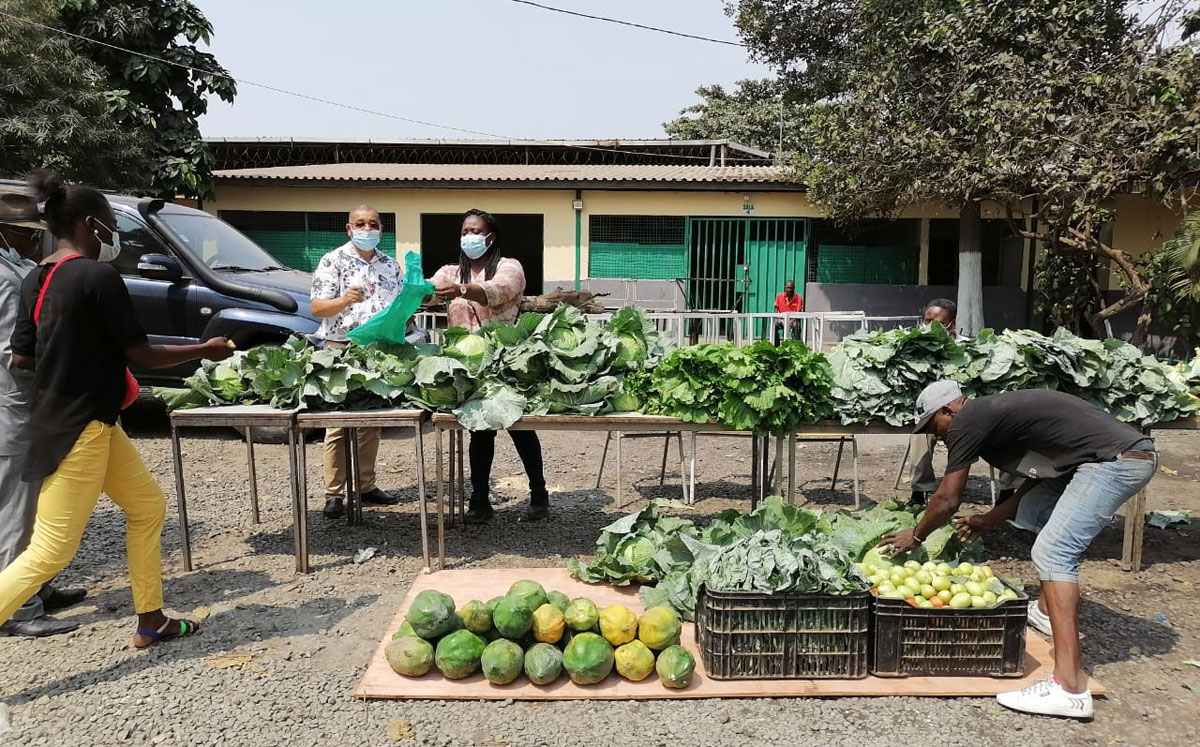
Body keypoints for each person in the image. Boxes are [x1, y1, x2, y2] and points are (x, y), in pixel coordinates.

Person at [0, 171, 237, 647]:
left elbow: (24, 357)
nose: (116, 236)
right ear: (92, 224)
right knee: (50, 549)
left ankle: (151, 618)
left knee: (148, 506)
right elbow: (142, 354)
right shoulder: (97, 275)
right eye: (112, 225)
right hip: (80, 428)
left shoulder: (38, 278)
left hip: (87, 421)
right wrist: (205, 348)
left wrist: (78, 353)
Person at [883, 381, 1156, 719]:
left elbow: (948, 499)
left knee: (1054, 552)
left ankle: (1069, 689)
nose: (936, 437)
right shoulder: (996, 414)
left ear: (947, 410)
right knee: (1036, 513)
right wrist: (989, 519)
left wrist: (918, 535)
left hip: (1115, 462)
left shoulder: (969, 419)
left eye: (932, 427)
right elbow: (1040, 478)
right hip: (1108, 457)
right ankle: (1043, 611)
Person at [0, 198, 87, 637]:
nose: (36, 238)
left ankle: (39, 586)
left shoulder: (16, 270)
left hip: (27, 406)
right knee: (16, 507)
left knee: (35, 503)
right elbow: (13, 354)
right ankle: (19, 610)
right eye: (28, 232)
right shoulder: (5, 277)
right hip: (13, 406)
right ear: (5, 232)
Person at [429, 209, 547, 523]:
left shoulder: (509, 266)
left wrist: (463, 290)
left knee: (521, 429)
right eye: (465, 230)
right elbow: (429, 292)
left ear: (490, 237)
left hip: (509, 363)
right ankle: (479, 499)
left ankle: (539, 492)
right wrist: (419, 292)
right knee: (480, 432)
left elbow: (498, 291)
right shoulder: (450, 272)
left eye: (476, 231)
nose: (469, 236)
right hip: (468, 367)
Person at [309, 205, 403, 518]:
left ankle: (365, 485)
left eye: (373, 224)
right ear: (349, 229)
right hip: (341, 347)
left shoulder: (390, 265)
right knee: (337, 423)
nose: (367, 229)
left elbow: (401, 305)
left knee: (371, 424)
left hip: (377, 352)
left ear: (381, 229)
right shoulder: (332, 260)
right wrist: (345, 300)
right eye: (360, 224)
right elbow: (317, 308)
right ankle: (334, 493)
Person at [908, 299, 1020, 505]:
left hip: (966, 411)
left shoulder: (968, 347)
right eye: (927, 321)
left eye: (938, 323)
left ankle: (1007, 492)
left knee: (1008, 434)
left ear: (951, 323)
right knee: (920, 435)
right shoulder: (914, 348)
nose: (930, 327)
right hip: (935, 412)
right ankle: (919, 492)